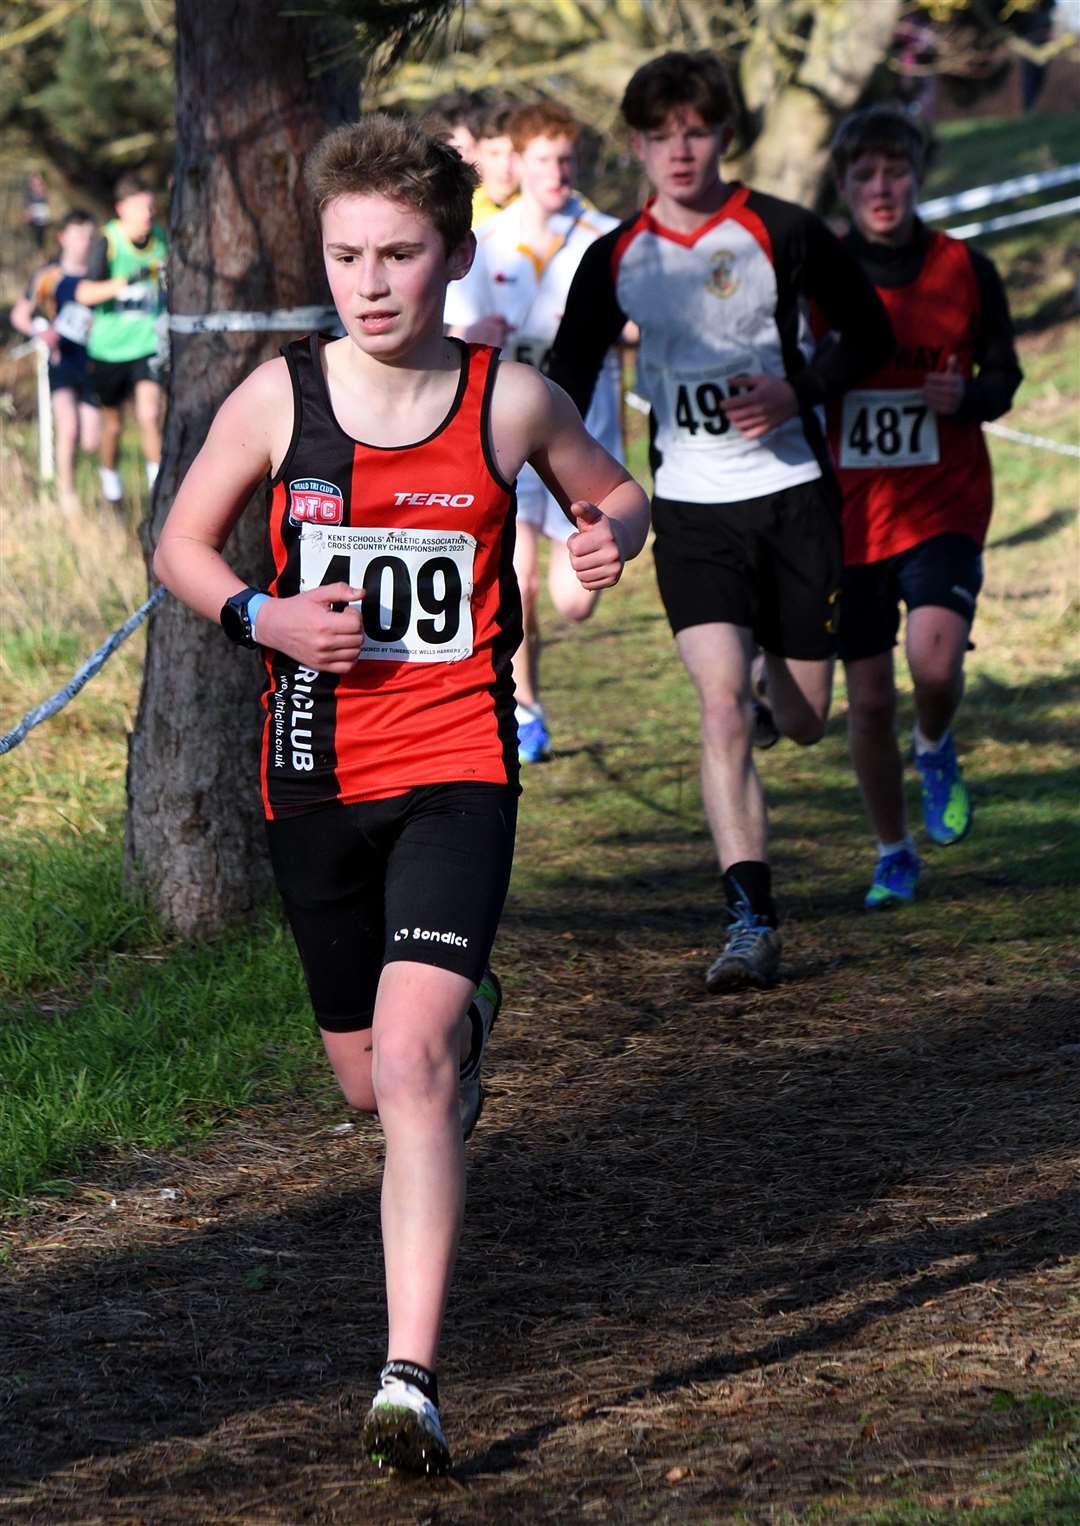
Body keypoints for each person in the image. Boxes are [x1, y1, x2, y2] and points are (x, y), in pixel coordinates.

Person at [151, 114, 649, 1475]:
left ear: (455, 255)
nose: (371, 282)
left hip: (456, 769)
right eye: (347, 254)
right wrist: (267, 615)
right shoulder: (279, 397)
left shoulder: (511, 398)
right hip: (312, 772)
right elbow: (181, 546)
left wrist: (608, 539)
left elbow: (617, 496)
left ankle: (409, 1376)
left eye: (400, 253)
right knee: (369, 1083)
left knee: (415, 1066)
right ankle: (463, 1023)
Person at [546, 50, 893, 991]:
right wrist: (540, 479)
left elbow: (870, 334)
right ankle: (751, 919)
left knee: (806, 715)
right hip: (692, 510)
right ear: (636, 147)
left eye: (695, 131)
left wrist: (800, 388)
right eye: (659, 137)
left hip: (792, 497)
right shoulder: (614, 257)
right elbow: (563, 385)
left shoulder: (783, 231)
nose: (679, 151)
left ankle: (776, 701)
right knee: (718, 701)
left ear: (724, 136)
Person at [823, 106, 1022, 907]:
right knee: (867, 697)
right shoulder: (820, 273)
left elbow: (1005, 378)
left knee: (934, 664)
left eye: (895, 173)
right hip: (847, 514)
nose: (881, 189)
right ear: (843, 185)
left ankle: (935, 742)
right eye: (865, 175)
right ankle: (892, 850)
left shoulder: (965, 268)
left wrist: (966, 394)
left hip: (944, 501)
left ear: (916, 178)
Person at [445, 101, 625, 763]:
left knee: (573, 602)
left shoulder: (606, 237)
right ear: (516, 163)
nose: (558, 171)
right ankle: (525, 710)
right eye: (545, 158)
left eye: (567, 158)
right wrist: (475, 337)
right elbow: (459, 329)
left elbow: (640, 317)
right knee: (513, 580)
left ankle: (530, 695)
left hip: (586, 433)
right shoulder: (485, 242)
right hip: (510, 436)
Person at [75, 173, 167, 504]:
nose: (148, 215)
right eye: (141, 209)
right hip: (110, 350)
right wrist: (123, 282)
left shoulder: (161, 240)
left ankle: (159, 495)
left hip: (147, 345)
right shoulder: (108, 241)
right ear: (121, 209)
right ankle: (112, 491)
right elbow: (84, 293)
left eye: (151, 208)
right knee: (112, 425)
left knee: (149, 414)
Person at [11, 209, 102, 515]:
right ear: (63, 238)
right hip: (62, 361)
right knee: (68, 428)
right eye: (77, 236)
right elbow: (19, 315)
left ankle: (96, 490)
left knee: (91, 439)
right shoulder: (48, 275)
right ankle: (67, 497)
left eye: (89, 237)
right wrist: (42, 330)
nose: (83, 243)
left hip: (96, 361)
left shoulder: (98, 273)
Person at [470, 99, 520, 225]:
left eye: (514, 154)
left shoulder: (553, 209)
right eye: (494, 154)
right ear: (477, 154)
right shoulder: (457, 213)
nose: (505, 166)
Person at [23, 171, 51, 250]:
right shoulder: (29, 195)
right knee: (37, 243)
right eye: (34, 181)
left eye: (38, 180)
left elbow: (53, 206)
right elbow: (26, 210)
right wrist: (27, 216)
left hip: (47, 223)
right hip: (34, 223)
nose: (37, 183)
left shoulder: (47, 192)